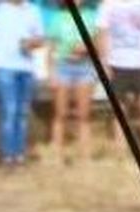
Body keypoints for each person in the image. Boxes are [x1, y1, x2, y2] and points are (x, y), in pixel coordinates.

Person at [95, 0, 140, 155]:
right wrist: (103, 63)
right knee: (120, 110)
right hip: (117, 64)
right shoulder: (108, 5)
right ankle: (120, 151)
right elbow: (101, 34)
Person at [0, 0, 45, 168]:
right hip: (4, 67)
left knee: (22, 113)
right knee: (9, 111)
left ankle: (19, 154)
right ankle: (7, 156)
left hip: (26, 67)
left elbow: (41, 38)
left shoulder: (32, 10)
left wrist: (31, 43)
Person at [46, 0, 97, 163]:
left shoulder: (91, 17)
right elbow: (50, 49)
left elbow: (98, 43)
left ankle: (86, 156)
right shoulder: (57, 18)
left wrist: (87, 47)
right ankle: (57, 155)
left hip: (85, 67)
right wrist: (51, 74)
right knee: (60, 113)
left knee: (84, 115)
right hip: (63, 67)